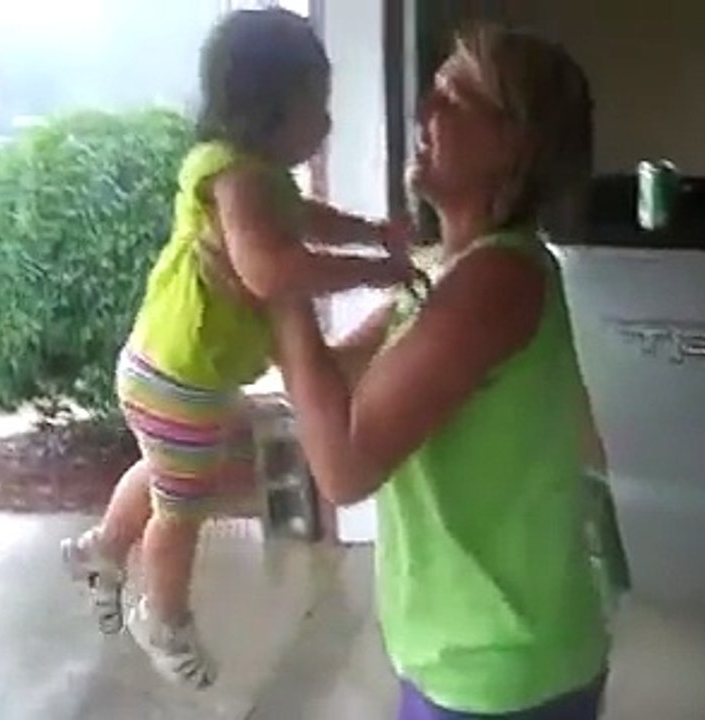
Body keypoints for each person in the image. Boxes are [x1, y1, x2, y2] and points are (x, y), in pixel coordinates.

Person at [269, 24, 623, 719]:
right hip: (456, 651)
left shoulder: (499, 278)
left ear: (516, 145)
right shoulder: (439, 271)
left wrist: (281, 290)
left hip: (502, 669)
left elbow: (343, 470)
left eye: (456, 97)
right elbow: (327, 375)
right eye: (432, 90)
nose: (424, 112)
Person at [60, 7, 411, 690]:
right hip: (180, 378)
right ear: (273, 107)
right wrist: (375, 273)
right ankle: (162, 615)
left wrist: (369, 233)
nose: (327, 122)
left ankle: (104, 550)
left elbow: (302, 219)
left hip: (169, 369)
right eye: (318, 104)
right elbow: (271, 270)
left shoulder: (255, 176)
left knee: (166, 471)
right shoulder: (239, 178)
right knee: (181, 505)